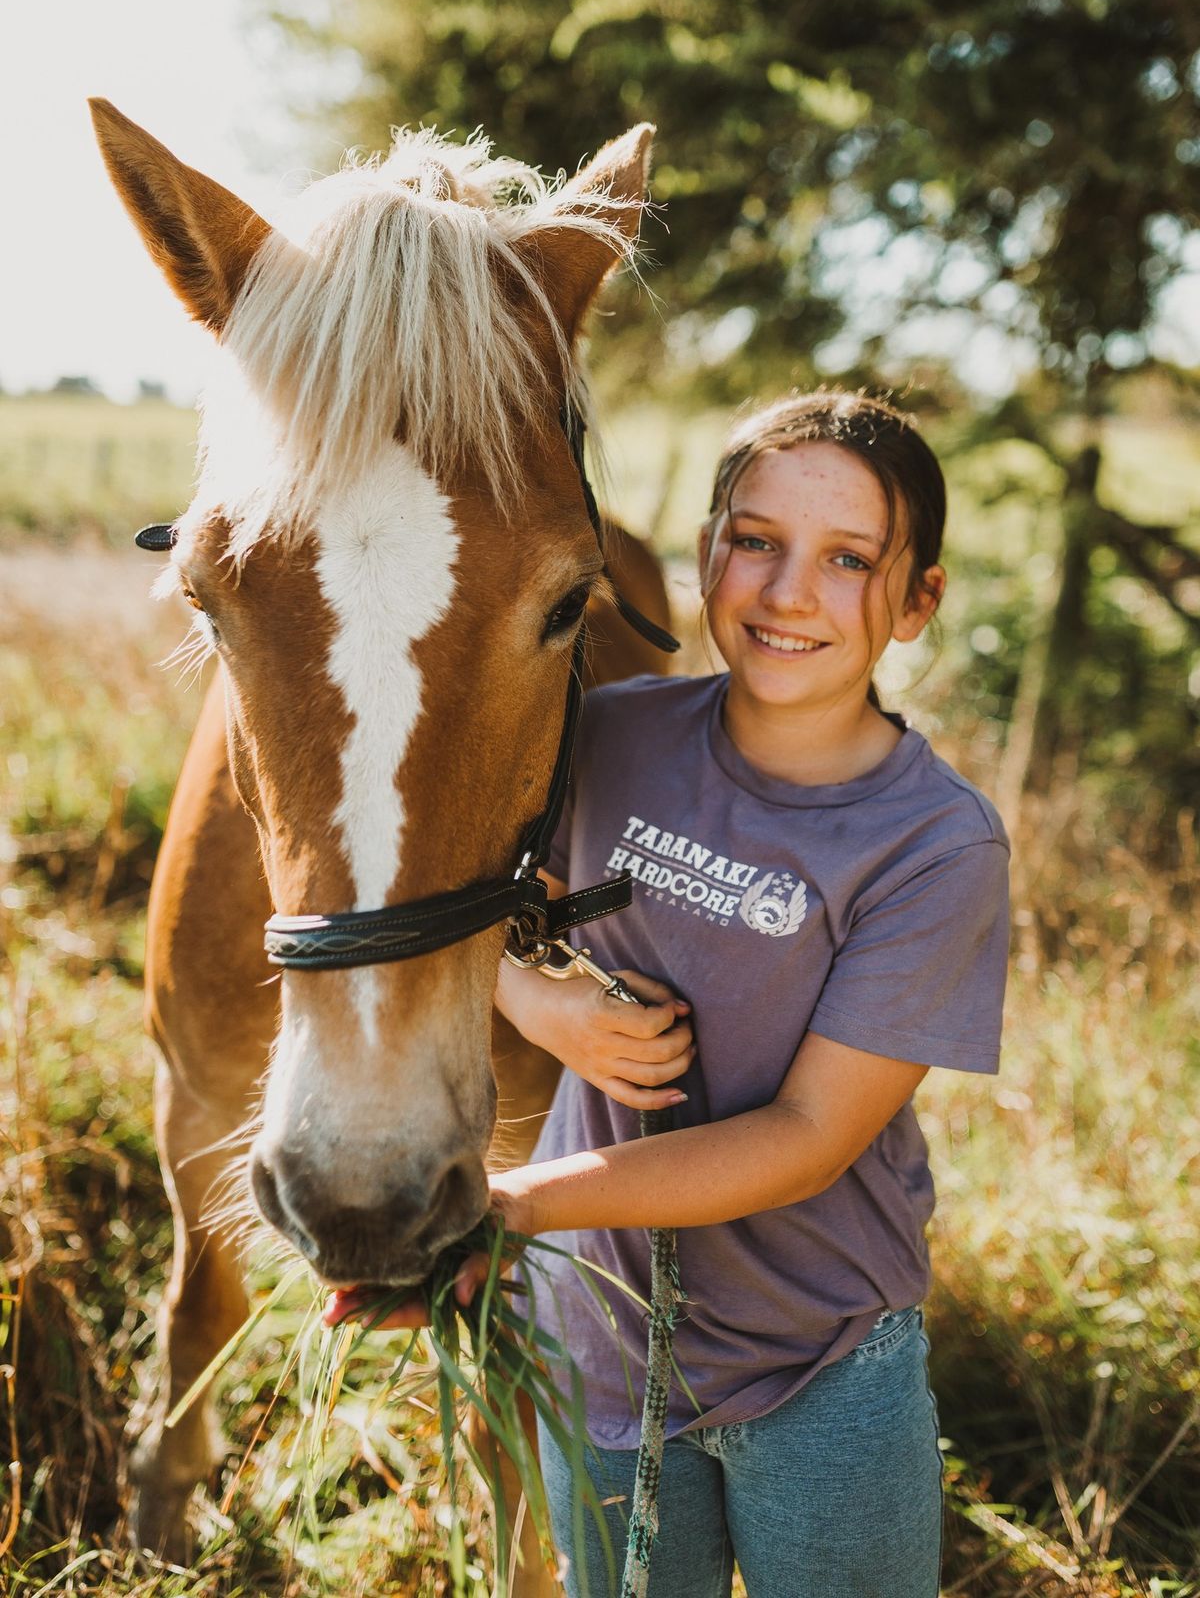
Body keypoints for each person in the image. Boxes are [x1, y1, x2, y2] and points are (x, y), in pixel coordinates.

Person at [340, 391, 1010, 1598]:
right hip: (598, 1343)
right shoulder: (607, 734)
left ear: (919, 602)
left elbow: (807, 1140)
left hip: (816, 1363)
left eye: (848, 559)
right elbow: (451, 911)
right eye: (755, 540)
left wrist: (506, 1206)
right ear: (705, 554)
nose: (788, 591)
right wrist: (539, 1006)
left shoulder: (934, 847)